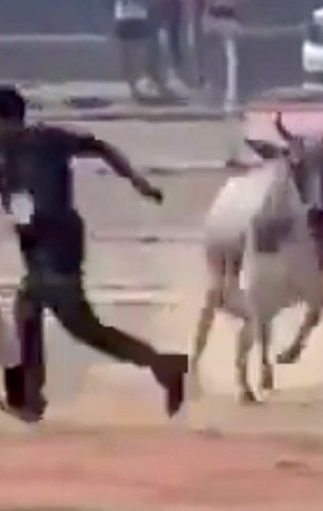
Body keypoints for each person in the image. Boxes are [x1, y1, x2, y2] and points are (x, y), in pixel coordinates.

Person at [0, 87, 188, 422]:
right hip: (37, 243)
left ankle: (163, 364)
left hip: (59, 241)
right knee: (35, 311)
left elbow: (99, 146)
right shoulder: (5, 156)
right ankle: (31, 397)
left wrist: (137, 181)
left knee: (72, 321)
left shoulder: (46, 141)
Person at [109, 0, 156, 103]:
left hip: (140, 17)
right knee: (126, 56)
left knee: (138, 55)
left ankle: (135, 85)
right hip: (124, 17)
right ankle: (132, 87)